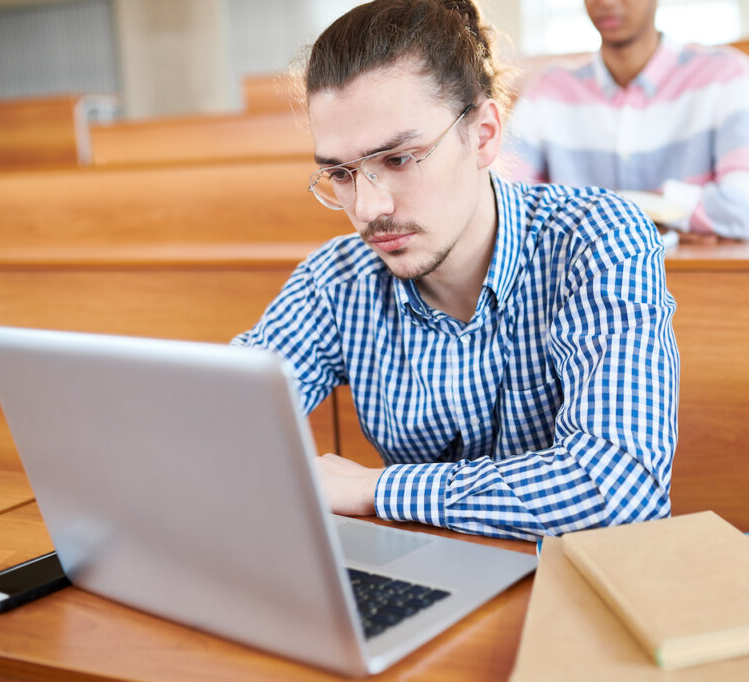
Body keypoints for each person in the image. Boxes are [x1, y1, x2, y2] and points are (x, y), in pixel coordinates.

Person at [234, 0, 678, 541]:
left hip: (579, 591)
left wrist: (380, 490)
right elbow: (218, 416)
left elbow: (619, 489)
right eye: (342, 175)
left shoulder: (599, 239)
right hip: (432, 582)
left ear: (484, 134)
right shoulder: (335, 281)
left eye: (398, 159)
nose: (369, 210)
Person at [504, 0, 749, 243]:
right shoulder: (548, 89)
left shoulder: (726, 74)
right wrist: (670, 215)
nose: (606, 2)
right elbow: (505, 204)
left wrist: (585, 217)